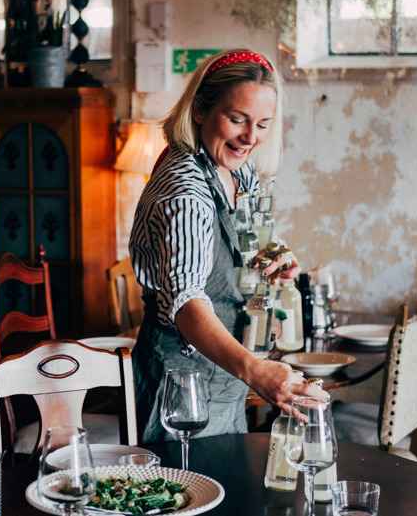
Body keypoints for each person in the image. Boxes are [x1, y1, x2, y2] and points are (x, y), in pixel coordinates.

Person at [129, 48, 320, 442]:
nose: (251, 138)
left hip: (223, 375)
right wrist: (254, 369)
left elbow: (233, 243)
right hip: (182, 386)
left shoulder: (234, 169)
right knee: (188, 495)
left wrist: (271, 257)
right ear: (199, 110)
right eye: (237, 120)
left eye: (263, 124)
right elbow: (185, 303)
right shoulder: (184, 192)